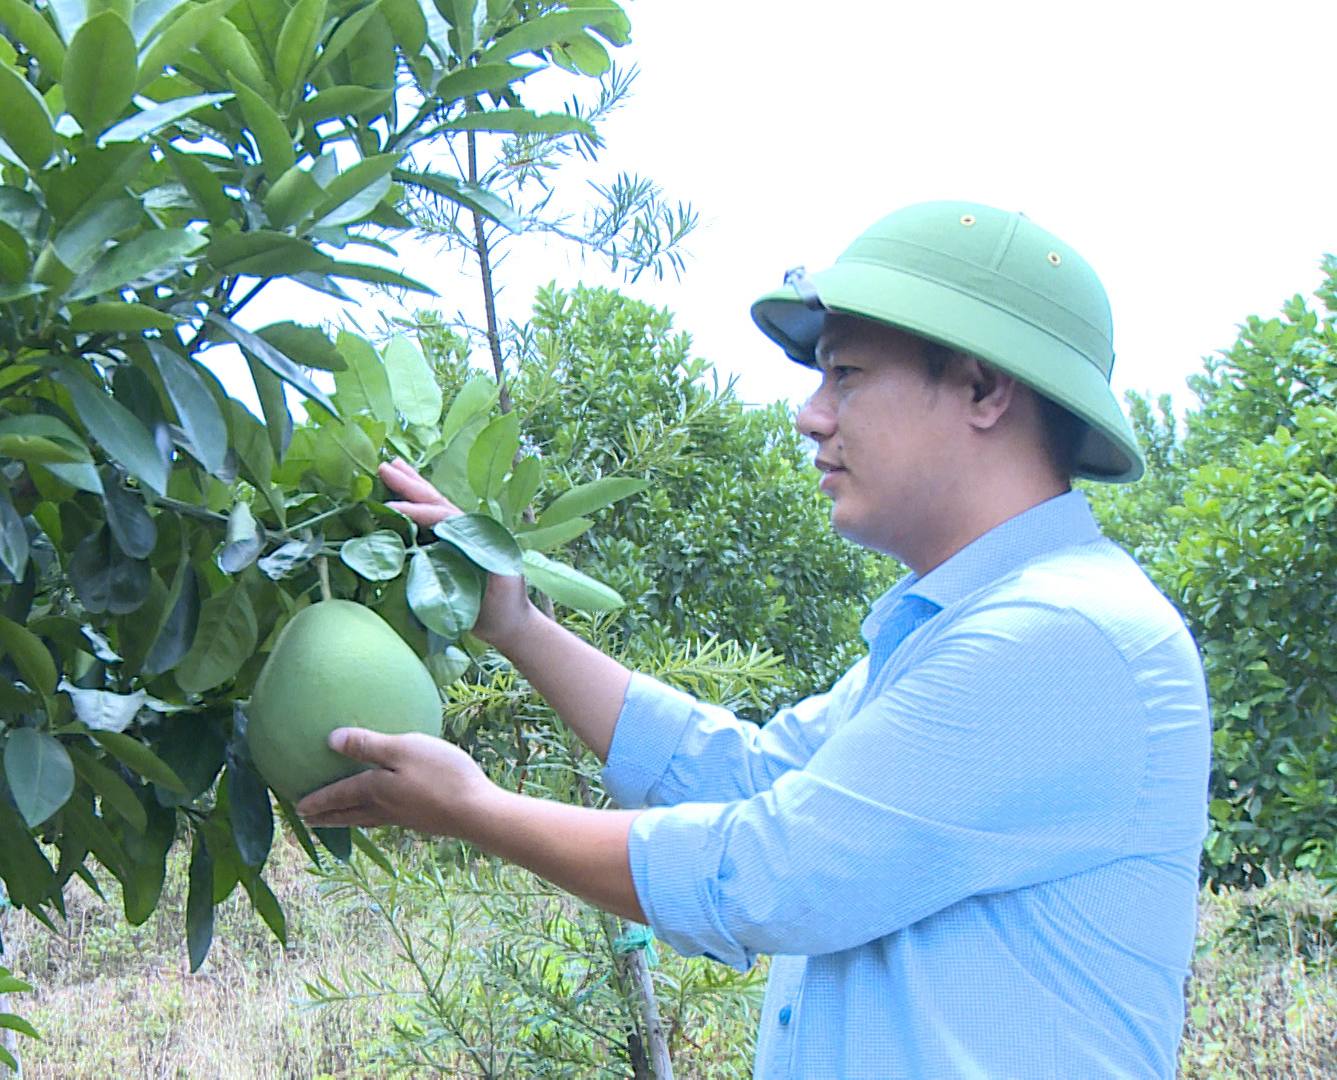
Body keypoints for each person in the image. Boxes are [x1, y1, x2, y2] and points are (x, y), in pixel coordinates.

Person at [295, 200, 1212, 1078]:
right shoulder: (959, 631)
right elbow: (755, 777)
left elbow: (773, 871)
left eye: (846, 376)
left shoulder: (1062, 640)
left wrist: (475, 810)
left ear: (981, 387)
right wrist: (518, 626)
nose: (812, 413)